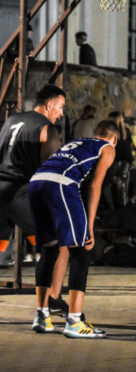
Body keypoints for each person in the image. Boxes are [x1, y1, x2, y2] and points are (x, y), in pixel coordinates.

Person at [28, 119, 117, 338]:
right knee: (82, 250)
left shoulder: (77, 143)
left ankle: (42, 316)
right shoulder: (107, 148)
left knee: (50, 249)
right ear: (114, 138)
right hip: (61, 184)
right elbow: (95, 185)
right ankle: (75, 321)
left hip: (36, 182)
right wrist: (90, 226)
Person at [0, 85, 65, 261]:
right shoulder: (47, 128)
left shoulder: (10, 120)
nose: (61, 114)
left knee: (1, 245)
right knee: (54, 242)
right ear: (49, 105)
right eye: (60, 107)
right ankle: (48, 280)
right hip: (19, 192)